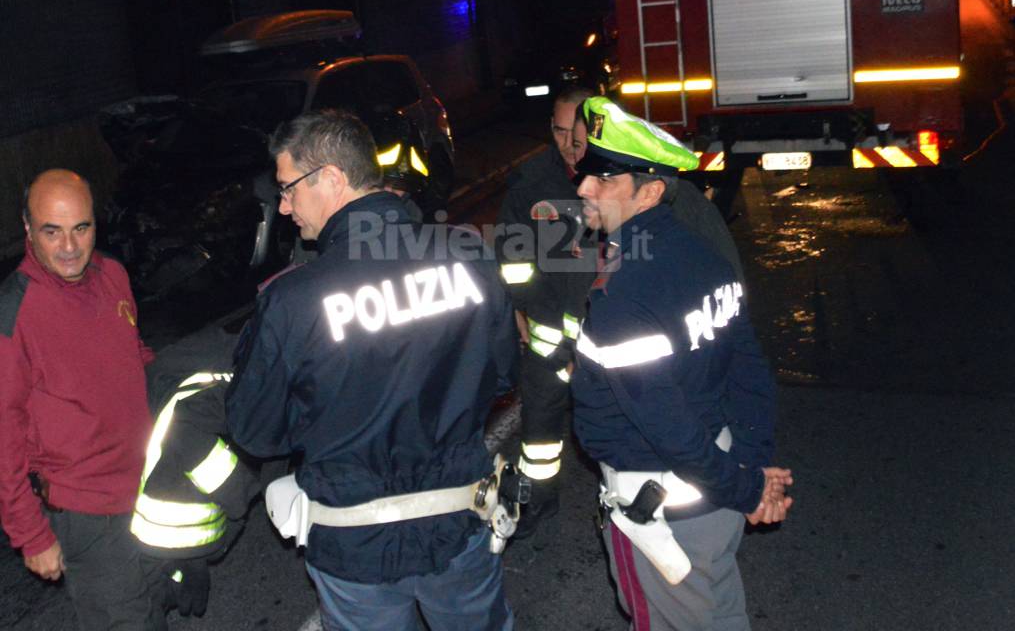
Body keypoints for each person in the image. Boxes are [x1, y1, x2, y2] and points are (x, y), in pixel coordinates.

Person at [225, 109, 517, 631]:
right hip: (459, 524)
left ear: (332, 179)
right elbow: (502, 377)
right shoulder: (469, 258)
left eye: (289, 188)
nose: (285, 206)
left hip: (354, 547)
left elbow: (256, 433)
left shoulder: (293, 300)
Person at [570, 98, 793, 630]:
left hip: (663, 512)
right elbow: (749, 373)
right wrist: (755, 469)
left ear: (648, 192)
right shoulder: (704, 258)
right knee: (718, 613)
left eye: (603, 179)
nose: (583, 189)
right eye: (586, 175)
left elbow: (664, 423)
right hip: (713, 495)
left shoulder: (624, 293)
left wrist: (748, 488)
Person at [0, 169, 163, 629]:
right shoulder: (14, 315)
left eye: (81, 228)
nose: (69, 247)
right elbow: (4, 438)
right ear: (28, 230)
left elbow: (134, 357)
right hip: (86, 511)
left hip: (146, 488)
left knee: (153, 608)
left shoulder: (112, 274)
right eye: (52, 231)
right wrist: (31, 534)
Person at [495, 87, 598, 538]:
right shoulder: (530, 182)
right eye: (558, 130)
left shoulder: (621, 177)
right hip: (548, 332)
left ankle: (631, 504)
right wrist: (527, 309)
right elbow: (514, 261)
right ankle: (538, 500)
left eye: (576, 131)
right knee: (539, 428)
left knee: (621, 420)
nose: (567, 143)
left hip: (612, 333)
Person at [131, 358, 260, 621]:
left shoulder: (211, 374)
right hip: (164, 522)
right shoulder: (237, 391)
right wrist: (242, 490)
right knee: (141, 607)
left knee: (157, 590)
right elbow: (184, 433)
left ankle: (173, 577)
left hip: (159, 515)